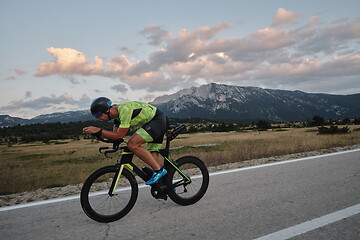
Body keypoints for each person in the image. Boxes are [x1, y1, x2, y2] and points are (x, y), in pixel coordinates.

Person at [83, 97, 168, 185]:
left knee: (132, 144)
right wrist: (97, 134)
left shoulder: (124, 110)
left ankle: (159, 171)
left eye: (98, 114)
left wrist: (99, 130)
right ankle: (167, 184)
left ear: (106, 110)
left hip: (157, 120)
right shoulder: (117, 118)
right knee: (153, 159)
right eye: (95, 116)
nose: (98, 117)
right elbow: (115, 137)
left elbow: (120, 135)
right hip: (154, 123)